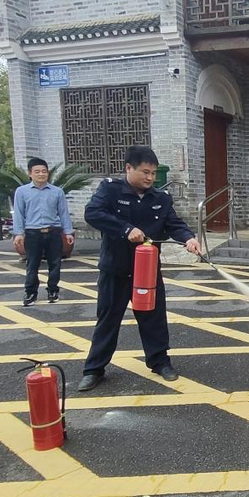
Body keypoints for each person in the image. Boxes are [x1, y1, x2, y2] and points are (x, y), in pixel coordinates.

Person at [78, 146, 202, 392]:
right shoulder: (111, 190)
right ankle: (94, 369)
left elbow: (173, 223)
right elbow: (93, 214)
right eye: (145, 172)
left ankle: (160, 362)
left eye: (153, 173)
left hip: (147, 272)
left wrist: (188, 238)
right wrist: (125, 229)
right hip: (115, 269)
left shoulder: (161, 198)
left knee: (154, 318)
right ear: (128, 168)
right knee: (108, 319)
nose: (150, 178)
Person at [12, 157, 75, 306]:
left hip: (53, 232)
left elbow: (63, 213)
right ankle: (30, 293)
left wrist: (68, 232)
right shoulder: (21, 192)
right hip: (33, 233)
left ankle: (53, 290)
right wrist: (19, 234)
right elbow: (19, 214)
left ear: (48, 173)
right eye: (37, 171)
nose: (41, 174)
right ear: (30, 174)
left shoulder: (57, 192)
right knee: (32, 264)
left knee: (55, 263)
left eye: (44, 171)